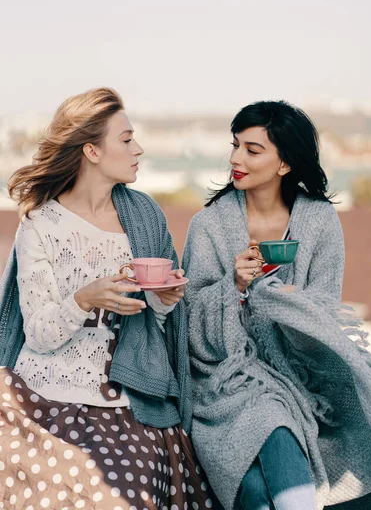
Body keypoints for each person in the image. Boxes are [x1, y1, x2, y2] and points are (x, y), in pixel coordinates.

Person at [0, 87, 216, 510]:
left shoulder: (146, 214)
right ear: (92, 152)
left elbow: (155, 324)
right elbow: (39, 333)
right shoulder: (40, 226)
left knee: (124, 499)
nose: (139, 148)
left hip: (127, 396)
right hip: (43, 402)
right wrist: (84, 298)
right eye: (126, 139)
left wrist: (165, 299)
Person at [182, 100, 371, 510]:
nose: (235, 158)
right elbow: (191, 319)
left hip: (304, 369)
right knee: (271, 417)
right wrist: (233, 286)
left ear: (284, 163)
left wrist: (283, 302)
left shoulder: (319, 220)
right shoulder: (209, 225)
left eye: (252, 149)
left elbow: (323, 316)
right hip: (231, 375)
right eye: (234, 145)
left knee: (364, 427)